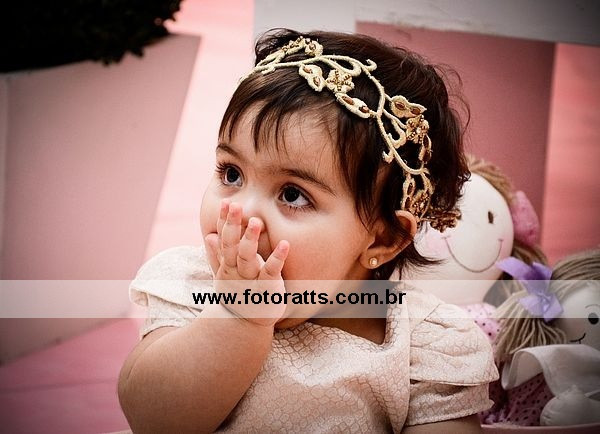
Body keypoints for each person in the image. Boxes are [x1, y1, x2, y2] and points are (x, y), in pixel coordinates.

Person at [118, 29, 498, 432]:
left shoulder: (422, 345)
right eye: (231, 173)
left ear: (382, 238)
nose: (241, 212)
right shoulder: (195, 287)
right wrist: (236, 315)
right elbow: (152, 418)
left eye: (293, 195)